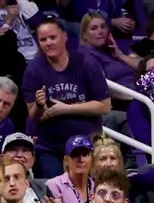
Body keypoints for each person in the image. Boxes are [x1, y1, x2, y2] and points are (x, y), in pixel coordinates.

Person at [22, 17, 112, 178]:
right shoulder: (33, 70)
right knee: (54, 192)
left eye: (53, 37)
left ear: (65, 37)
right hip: (51, 149)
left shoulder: (86, 63)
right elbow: (34, 116)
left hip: (86, 146)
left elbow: (104, 105)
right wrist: (39, 105)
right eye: (43, 39)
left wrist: (67, 108)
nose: (48, 43)